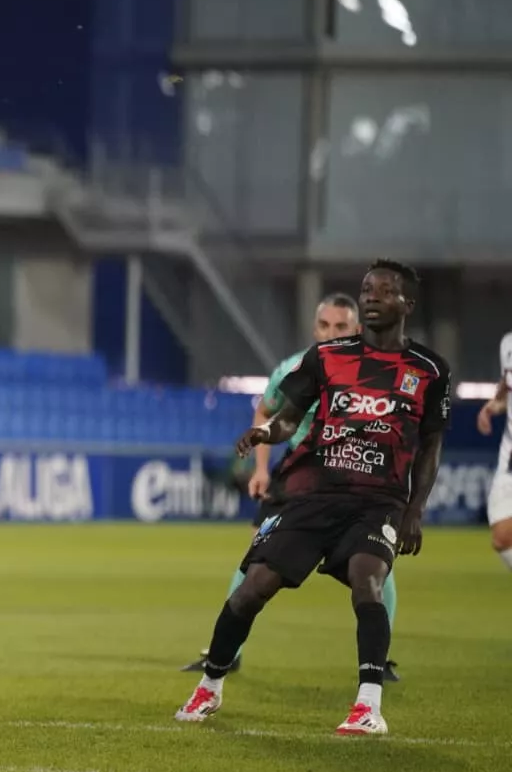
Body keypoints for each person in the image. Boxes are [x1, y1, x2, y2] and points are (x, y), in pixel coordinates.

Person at [175, 259, 449, 736]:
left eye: (384, 291)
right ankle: (211, 684)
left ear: (407, 303)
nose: (371, 297)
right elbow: (288, 416)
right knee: (254, 584)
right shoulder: (326, 357)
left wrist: (414, 509)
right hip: (314, 492)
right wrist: (265, 433)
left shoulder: (429, 370)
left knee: (368, 578)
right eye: (366, 289)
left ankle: (367, 706)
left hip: (378, 500)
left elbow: (430, 446)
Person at [181, 292, 400, 682]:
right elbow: (266, 411)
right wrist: (260, 469)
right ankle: (227, 654)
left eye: (341, 326)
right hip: (297, 476)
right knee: (255, 560)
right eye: (325, 325)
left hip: (353, 480)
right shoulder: (294, 368)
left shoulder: (375, 373)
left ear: (357, 329)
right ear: (315, 328)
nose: (332, 333)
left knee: (375, 568)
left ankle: (379, 660)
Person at [475, 331, 512, 570]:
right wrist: (492, 407)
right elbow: (506, 392)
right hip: (509, 458)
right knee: (501, 537)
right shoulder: (508, 344)